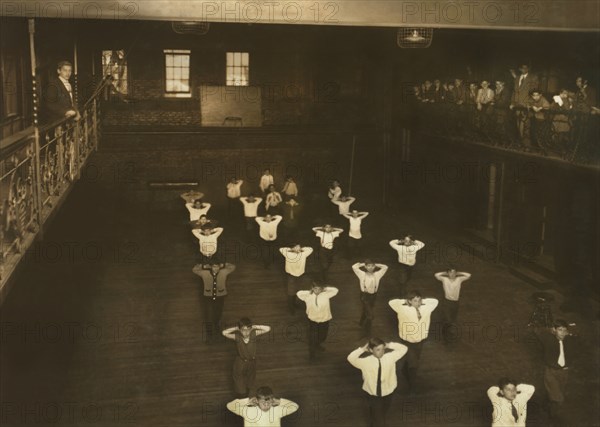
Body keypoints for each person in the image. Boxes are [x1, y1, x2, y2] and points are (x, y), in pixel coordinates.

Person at [347, 338, 408, 427]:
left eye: (383, 349)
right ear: (371, 350)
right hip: (373, 394)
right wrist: (362, 349)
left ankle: (374, 421)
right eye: (378, 350)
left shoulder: (390, 357)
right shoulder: (365, 362)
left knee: (382, 411)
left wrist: (389, 345)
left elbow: (404, 349)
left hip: (388, 391)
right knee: (380, 420)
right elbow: (351, 358)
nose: (381, 352)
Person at [388, 290, 438, 392]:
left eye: (419, 300)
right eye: (415, 301)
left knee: (414, 359)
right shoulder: (402, 309)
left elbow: (435, 301)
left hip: (420, 340)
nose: (418, 303)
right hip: (407, 341)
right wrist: (406, 301)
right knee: (414, 364)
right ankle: (412, 385)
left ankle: (404, 369)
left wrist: (421, 300)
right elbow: (392, 302)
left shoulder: (425, 308)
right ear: (409, 301)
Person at [534, 319, 576, 424]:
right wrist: (550, 330)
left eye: (564, 330)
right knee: (558, 398)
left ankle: (546, 406)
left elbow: (578, 333)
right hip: (551, 372)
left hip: (564, 373)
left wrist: (568, 366)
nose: (562, 333)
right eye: (560, 330)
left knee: (556, 394)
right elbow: (536, 330)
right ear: (554, 330)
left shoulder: (569, 340)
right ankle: (554, 420)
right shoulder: (548, 339)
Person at [222, 318, 271, 398]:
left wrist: (254, 326)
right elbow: (224, 333)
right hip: (240, 363)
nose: (246, 332)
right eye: (243, 330)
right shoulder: (237, 337)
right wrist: (236, 328)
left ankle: (245, 396)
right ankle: (241, 397)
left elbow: (268, 328)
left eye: (248, 329)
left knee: (250, 383)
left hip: (252, 362)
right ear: (240, 330)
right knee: (240, 386)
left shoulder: (253, 334)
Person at [192, 262, 236, 343]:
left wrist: (224, 264)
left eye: (217, 267)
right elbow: (195, 269)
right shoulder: (205, 273)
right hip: (208, 297)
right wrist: (203, 265)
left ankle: (216, 326)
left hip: (220, 296)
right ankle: (209, 335)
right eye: (213, 267)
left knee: (218, 312)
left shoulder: (224, 272)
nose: (215, 269)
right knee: (208, 315)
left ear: (219, 267)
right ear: (211, 267)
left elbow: (233, 267)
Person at [296, 282, 339, 361]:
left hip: (324, 320)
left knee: (323, 337)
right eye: (315, 288)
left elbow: (335, 290)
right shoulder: (308, 296)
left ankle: (317, 345)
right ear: (312, 288)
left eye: (319, 289)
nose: (317, 291)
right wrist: (309, 291)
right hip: (313, 321)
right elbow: (299, 293)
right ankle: (312, 355)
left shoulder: (326, 295)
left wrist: (325, 289)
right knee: (313, 338)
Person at [226, 386, 299, 427]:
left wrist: (279, 401)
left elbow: (294, 406)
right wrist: (247, 401)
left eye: (269, 402)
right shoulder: (248, 411)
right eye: (263, 402)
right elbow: (230, 406)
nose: (266, 405)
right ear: (257, 401)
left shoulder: (277, 411)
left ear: (272, 401)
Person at [434, 267, 472, 344]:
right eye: (451, 272)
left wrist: (459, 273)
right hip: (447, 302)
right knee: (448, 319)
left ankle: (446, 330)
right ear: (448, 273)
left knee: (453, 318)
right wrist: (445, 273)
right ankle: (446, 334)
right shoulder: (445, 279)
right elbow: (436, 275)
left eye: (454, 273)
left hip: (455, 303)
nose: (452, 274)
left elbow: (468, 275)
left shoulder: (459, 279)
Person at [352, 260, 388, 337]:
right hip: (364, 296)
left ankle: (361, 322)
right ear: (365, 267)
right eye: (368, 266)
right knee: (370, 315)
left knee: (367, 310)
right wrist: (363, 264)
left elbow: (385, 267)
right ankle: (367, 332)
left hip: (373, 296)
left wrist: (377, 264)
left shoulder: (377, 274)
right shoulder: (362, 274)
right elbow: (354, 267)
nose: (370, 267)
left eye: (372, 266)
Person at [279, 244, 313, 314]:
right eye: (296, 248)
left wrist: (291, 249)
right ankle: (291, 309)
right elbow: (310, 249)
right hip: (292, 277)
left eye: (299, 247)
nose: (297, 249)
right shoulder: (302, 254)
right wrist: (301, 249)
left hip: (299, 276)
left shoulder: (288, 253)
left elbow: (282, 249)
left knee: (296, 291)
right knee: (291, 292)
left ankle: (293, 305)